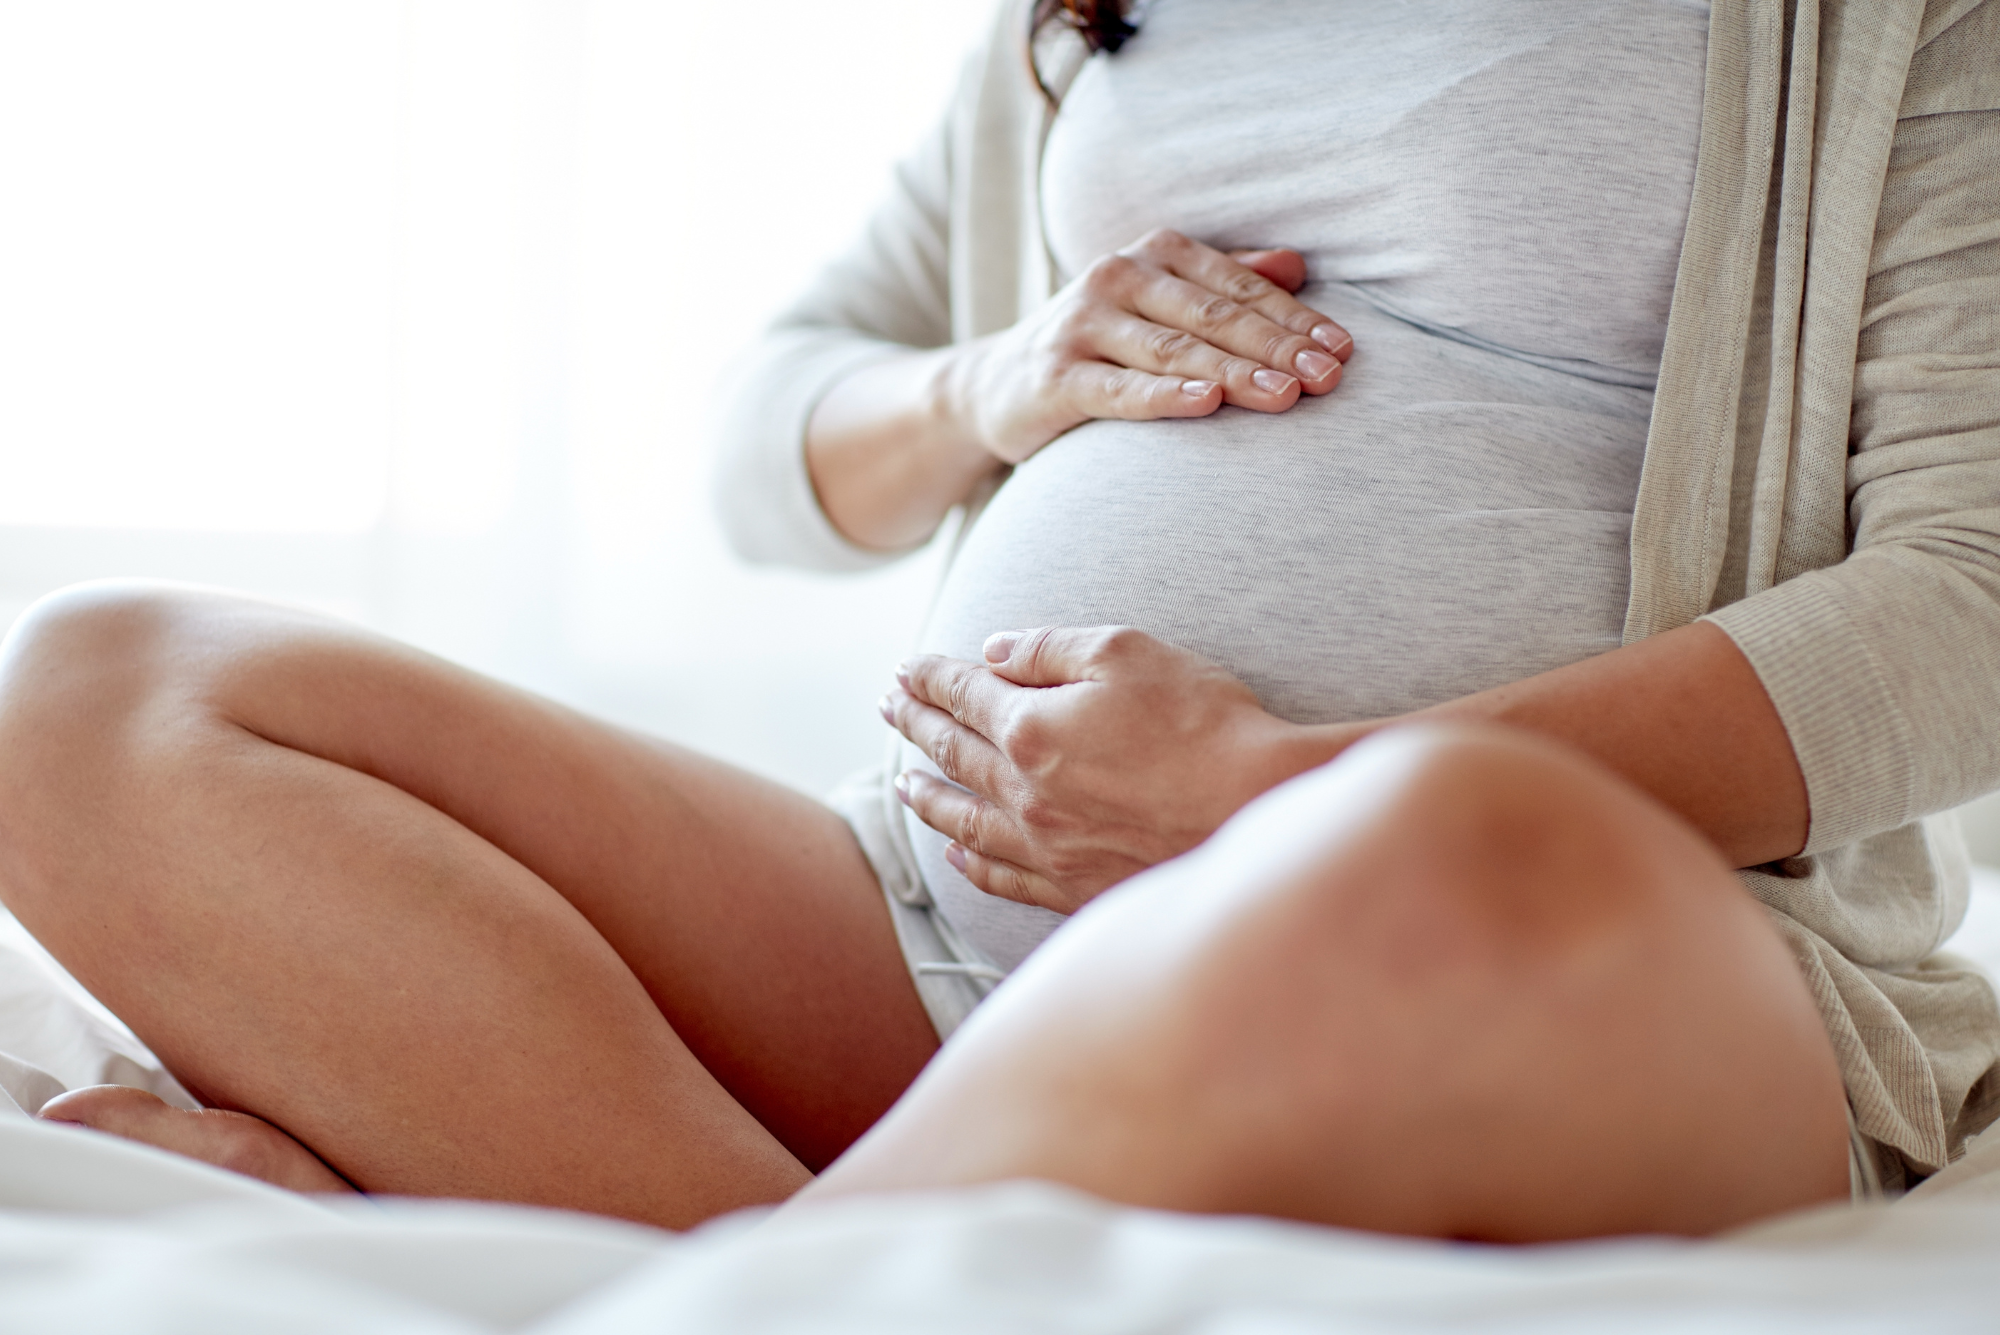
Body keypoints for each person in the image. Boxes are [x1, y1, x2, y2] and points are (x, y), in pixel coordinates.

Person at [0, 0, 1994, 1240]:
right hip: (939, 930)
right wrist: (990, 381)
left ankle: (727, 1271)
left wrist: (1280, 792)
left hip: (1583, 952)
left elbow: (1964, 602)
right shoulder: (1085, 19)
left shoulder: (1886, 26)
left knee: (1440, 840)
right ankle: (792, 1257)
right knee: (95, 692)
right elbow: (759, 439)